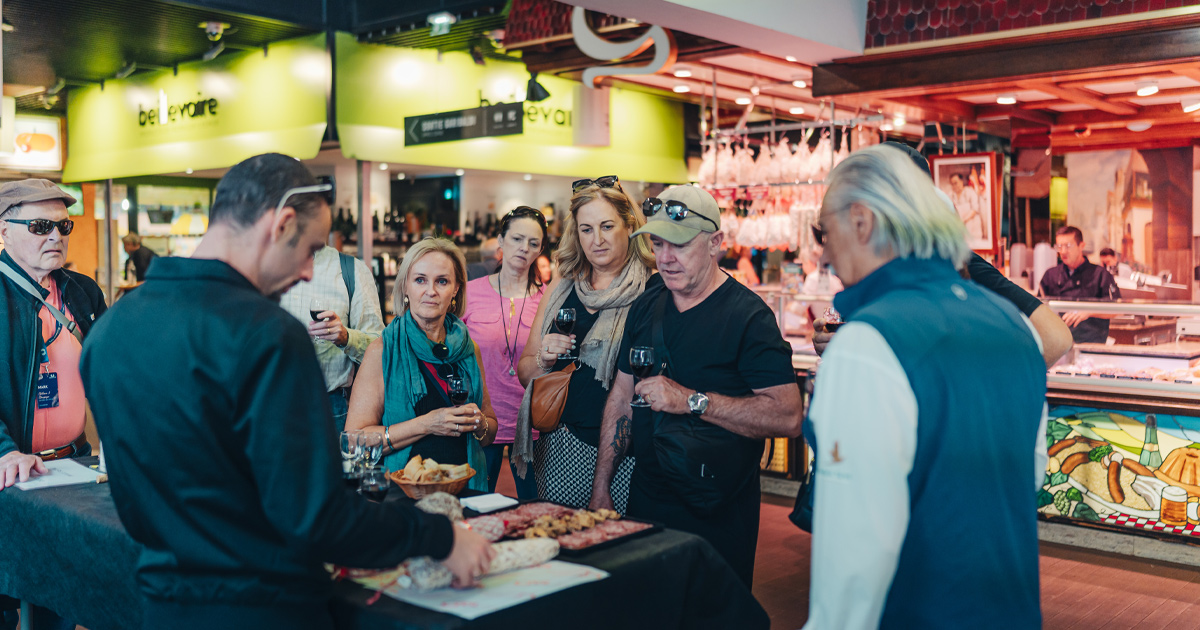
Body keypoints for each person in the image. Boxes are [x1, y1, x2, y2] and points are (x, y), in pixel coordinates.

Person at [80, 154, 494, 630]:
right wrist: (439, 537)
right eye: (310, 250)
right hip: (265, 606)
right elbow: (317, 516)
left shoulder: (111, 330)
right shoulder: (266, 334)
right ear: (281, 224)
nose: (304, 273)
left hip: (164, 604)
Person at [803, 145, 1046, 629]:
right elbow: (1030, 476)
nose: (823, 251)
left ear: (861, 220)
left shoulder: (866, 343)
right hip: (1008, 606)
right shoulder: (1015, 325)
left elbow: (853, 548)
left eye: (821, 231)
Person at [589, 185, 801, 586]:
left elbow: (788, 416)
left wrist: (691, 400)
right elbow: (620, 397)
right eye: (657, 244)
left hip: (718, 508)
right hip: (647, 495)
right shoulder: (646, 305)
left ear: (715, 244)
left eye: (680, 246)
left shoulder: (749, 317)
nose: (665, 259)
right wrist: (602, 487)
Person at [815, 142, 1073, 368]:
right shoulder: (879, 279)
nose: (826, 259)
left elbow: (1056, 337)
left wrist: (987, 384)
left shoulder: (956, 262)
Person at [0, 179, 106, 630]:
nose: (56, 237)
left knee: (62, 600)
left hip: (72, 469)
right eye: (41, 225)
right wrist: (3, 450)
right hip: (11, 477)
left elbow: (109, 372)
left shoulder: (82, 291)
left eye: (63, 225)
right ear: (4, 229)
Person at [515, 176, 654, 512]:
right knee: (564, 546)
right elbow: (524, 371)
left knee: (620, 552)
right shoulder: (562, 284)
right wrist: (545, 360)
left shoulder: (652, 288)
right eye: (586, 229)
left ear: (629, 225)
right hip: (559, 448)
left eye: (607, 226)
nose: (598, 239)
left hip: (627, 453)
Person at [347, 237, 497, 490]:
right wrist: (427, 423)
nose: (431, 291)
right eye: (420, 280)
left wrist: (480, 423)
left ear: (456, 289)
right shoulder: (382, 351)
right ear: (405, 286)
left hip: (465, 487)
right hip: (405, 491)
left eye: (442, 281)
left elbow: (489, 430)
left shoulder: (469, 349)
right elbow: (355, 440)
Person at [462, 207, 546, 499]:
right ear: (501, 240)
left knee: (534, 508)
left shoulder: (548, 298)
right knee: (476, 503)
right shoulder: (470, 293)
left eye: (533, 243)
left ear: (541, 249)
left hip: (532, 424)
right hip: (483, 420)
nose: (524, 248)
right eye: (517, 239)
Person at [280, 245, 384, 432]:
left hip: (330, 407)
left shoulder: (351, 270)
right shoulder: (260, 265)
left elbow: (380, 346)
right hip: (271, 402)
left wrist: (346, 337)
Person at [1039, 226, 1120, 344]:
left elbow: (1117, 309)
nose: (1063, 251)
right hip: (1058, 345)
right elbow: (1040, 308)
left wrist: (1088, 311)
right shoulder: (1050, 275)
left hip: (1092, 344)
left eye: (1068, 246)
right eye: (1059, 246)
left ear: (1081, 246)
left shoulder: (1100, 274)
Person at [946, 172, 984, 241]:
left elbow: (975, 209)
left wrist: (962, 220)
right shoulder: (950, 195)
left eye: (956, 183)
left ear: (961, 181)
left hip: (973, 228)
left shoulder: (970, 191)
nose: (954, 186)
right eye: (952, 184)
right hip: (960, 230)